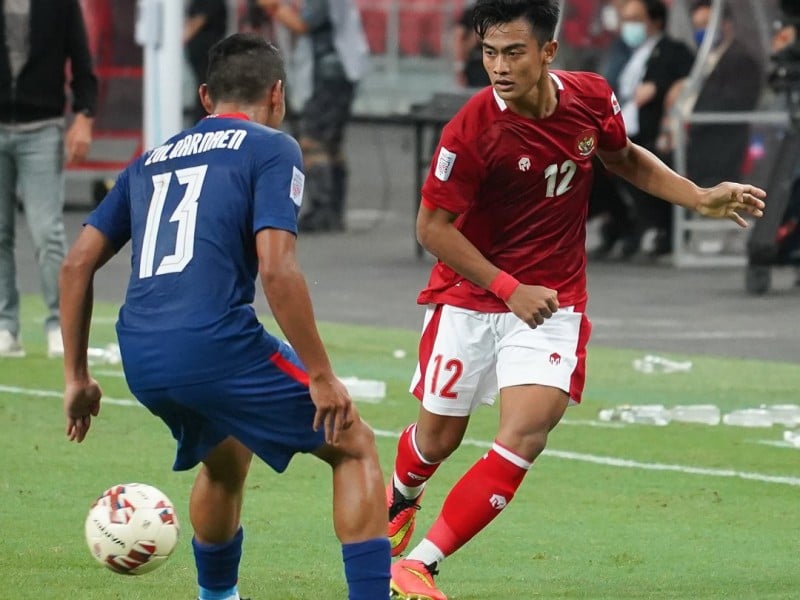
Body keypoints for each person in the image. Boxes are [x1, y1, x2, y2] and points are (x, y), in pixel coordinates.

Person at [384, 2, 765, 599]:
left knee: (526, 434)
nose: (499, 67)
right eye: (489, 53)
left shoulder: (591, 98)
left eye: (513, 52)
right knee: (437, 441)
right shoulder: (472, 128)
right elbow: (432, 229)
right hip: (470, 297)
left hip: (553, 303)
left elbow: (622, 157)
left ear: (548, 53)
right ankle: (401, 495)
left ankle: (420, 564)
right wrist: (508, 288)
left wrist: (697, 197)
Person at [59, 34, 390, 600]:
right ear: (278, 94)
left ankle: (217, 596)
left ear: (206, 96)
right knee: (353, 442)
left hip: (140, 353)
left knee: (225, 457)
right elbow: (278, 270)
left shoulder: (149, 160)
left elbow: (75, 265)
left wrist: (77, 377)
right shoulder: (272, 147)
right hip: (212, 343)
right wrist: (320, 374)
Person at [0, 0, 97, 358]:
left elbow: (81, 59)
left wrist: (85, 115)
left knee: (48, 232)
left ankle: (59, 323)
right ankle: (6, 326)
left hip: (43, 127)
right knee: (0, 233)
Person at [257, 0, 369, 233]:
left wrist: (273, 8)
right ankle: (333, 210)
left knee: (313, 141)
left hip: (329, 74)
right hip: (338, 71)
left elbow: (302, 24)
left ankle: (323, 210)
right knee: (331, 145)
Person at [614, 0, 694, 258]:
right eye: (626, 19)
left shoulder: (673, 50)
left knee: (632, 164)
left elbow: (686, 82)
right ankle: (621, 226)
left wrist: (658, 87)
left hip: (654, 133)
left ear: (655, 20)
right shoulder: (624, 53)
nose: (629, 26)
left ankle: (657, 228)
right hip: (622, 127)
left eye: (636, 19)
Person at [184, 0, 228, 124]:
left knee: (206, 89)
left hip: (208, 53)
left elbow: (198, 21)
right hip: (200, 54)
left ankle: (203, 123)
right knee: (202, 89)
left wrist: (175, 43)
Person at [453, 3, 491, 88]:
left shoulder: (501, 13)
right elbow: (459, 40)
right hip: (475, 64)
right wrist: (459, 66)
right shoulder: (470, 13)